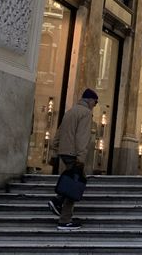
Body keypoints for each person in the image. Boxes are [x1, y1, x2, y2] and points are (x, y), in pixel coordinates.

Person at [48, 88, 98, 230]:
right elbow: (82, 138)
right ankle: (64, 220)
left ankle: (57, 201)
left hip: (65, 152)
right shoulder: (86, 113)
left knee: (73, 180)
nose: (95, 105)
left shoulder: (71, 111)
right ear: (90, 100)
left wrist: (55, 149)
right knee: (75, 185)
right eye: (95, 102)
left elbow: (59, 132)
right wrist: (81, 158)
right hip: (74, 154)